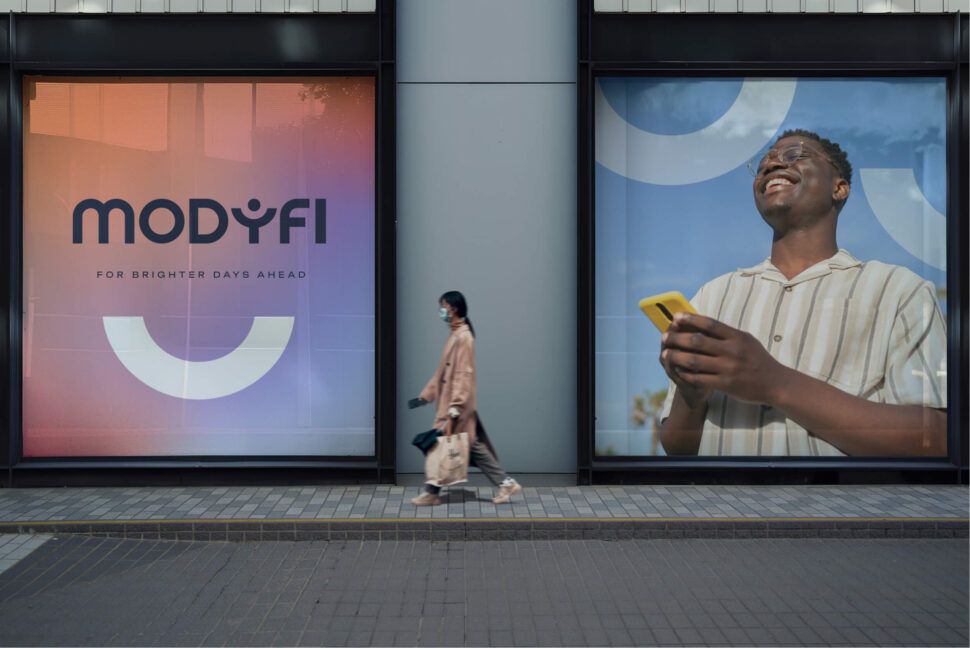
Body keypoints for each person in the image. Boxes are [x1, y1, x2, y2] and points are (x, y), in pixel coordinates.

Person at [658, 129, 947, 457]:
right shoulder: (712, 296)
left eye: (794, 156)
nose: (771, 165)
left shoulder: (899, 292)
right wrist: (691, 398)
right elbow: (677, 446)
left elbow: (935, 440)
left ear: (839, 188)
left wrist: (774, 382)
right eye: (764, 163)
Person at [410, 291, 522, 505]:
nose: (441, 311)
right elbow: (441, 373)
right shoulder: (455, 335)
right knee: (468, 446)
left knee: (442, 446)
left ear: (453, 308)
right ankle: (505, 483)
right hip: (451, 404)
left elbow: (464, 373)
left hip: (456, 406)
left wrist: (456, 405)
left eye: (443, 306)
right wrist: (425, 397)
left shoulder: (464, 336)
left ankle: (432, 493)